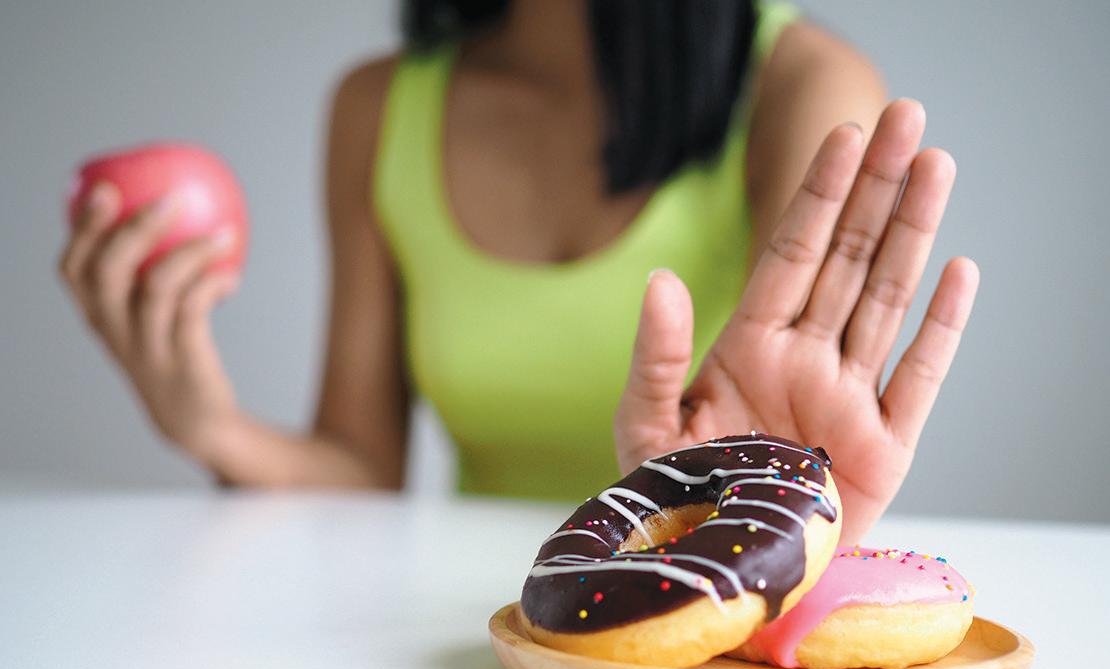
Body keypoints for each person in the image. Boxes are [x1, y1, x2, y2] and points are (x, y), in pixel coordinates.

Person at [58, 0, 978, 544]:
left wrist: (743, 497)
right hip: (458, 643)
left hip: (704, 623)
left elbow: (805, 459)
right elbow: (361, 472)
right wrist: (208, 425)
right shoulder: (378, 107)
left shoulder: (802, 87)